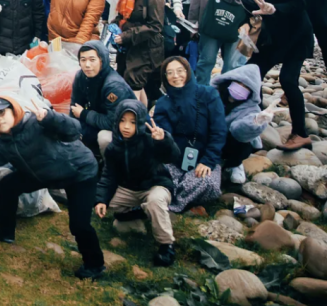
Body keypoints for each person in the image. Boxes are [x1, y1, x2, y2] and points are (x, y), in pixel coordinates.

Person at [0, 97, 106, 280]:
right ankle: (5, 231)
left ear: (14, 110)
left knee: (79, 225)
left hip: (78, 172)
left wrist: (50, 118)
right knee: (7, 184)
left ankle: (95, 265)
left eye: (1, 112)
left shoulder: (37, 123)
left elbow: (75, 130)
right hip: (42, 174)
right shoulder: (2, 144)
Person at [227, 0, 313, 151]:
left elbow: (299, 2)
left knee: (288, 80)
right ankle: (250, 122)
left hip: (297, 36)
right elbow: (251, 15)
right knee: (248, 75)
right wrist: (245, 24)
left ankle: (300, 133)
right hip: (273, 39)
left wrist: (275, 8)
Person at [94, 99, 180, 267]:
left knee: (155, 201)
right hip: (130, 188)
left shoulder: (150, 141)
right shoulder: (113, 148)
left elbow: (172, 156)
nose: (126, 126)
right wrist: (101, 199)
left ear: (140, 123)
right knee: (104, 201)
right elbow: (109, 176)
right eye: (122, 121)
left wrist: (163, 140)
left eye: (132, 122)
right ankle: (138, 211)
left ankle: (166, 245)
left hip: (155, 185)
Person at [152, 56, 226, 213]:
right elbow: (167, 139)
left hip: (204, 159)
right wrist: (162, 139)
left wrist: (208, 161)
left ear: (189, 71)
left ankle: (171, 203)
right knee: (153, 170)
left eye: (180, 71)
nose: (176, 76)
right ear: (165, 77)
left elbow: (218, 131)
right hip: (176, 159)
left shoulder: (209, 94)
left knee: (208, 183)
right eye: (169, 73)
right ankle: (178, 195)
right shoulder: (163, 103)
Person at [111, 0, 165, 106]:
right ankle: (142, 117)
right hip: (128, 46)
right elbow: (123, 16)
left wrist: (127, 35)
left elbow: (156, 26)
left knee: (133, 83)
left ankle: (132, 117)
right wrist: (114, 25)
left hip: (146, 48)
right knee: (132, 83)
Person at [212, 65, 275, 184]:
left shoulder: (251, 108)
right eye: (239, 84)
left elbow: (239, 131)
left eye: (246, 87)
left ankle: (234, 164)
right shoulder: (213, 94)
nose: (241, 88)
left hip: (229, 142)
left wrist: (255, 121)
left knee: (243, 141)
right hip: (209, 138)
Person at [70, 41, 135, 156]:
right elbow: (74, 107)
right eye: (83, 60)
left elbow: (113, 122)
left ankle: (109, 165)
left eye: (92, 59)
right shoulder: (81, 76)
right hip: (99, 118)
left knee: (103, 137)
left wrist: (84, 114)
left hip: (125, 129)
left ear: (102, 60)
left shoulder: (113, 86)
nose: (87, 65)